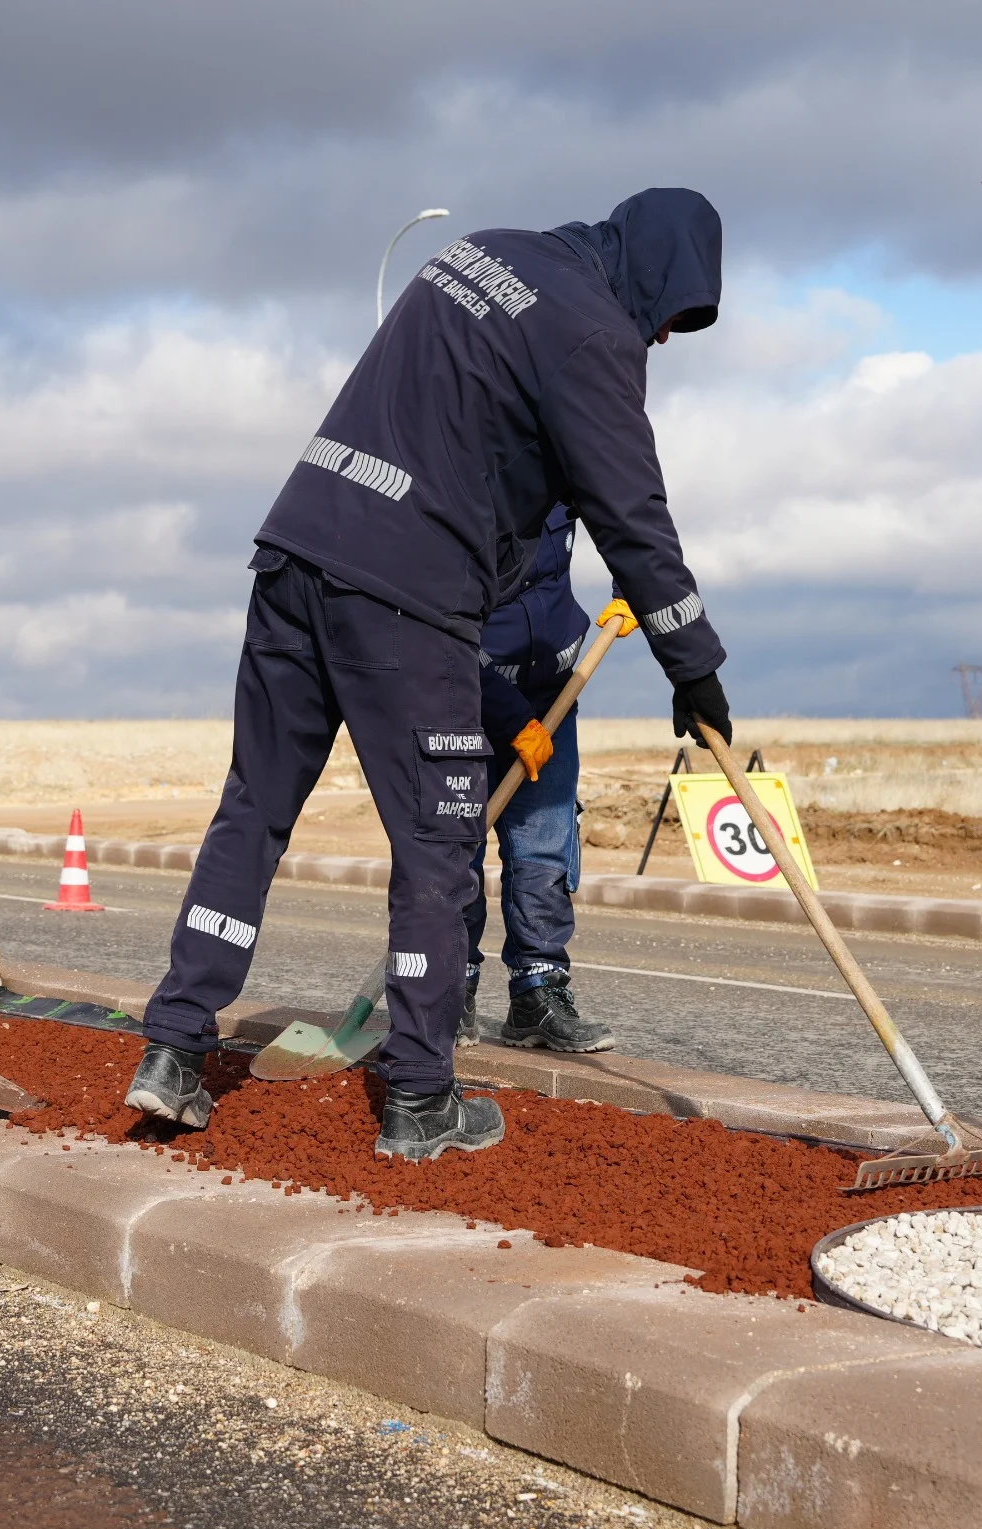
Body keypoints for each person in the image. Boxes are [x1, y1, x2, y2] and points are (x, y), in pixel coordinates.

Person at [124, 188, 733, 1162]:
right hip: (404, 595)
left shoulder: (484, 253)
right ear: (660, 275)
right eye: (672, 316)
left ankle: (171, 1048)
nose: (661, 338)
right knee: (439, 843)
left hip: (294, 551)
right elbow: (631, 514)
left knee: (254, 809)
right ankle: (420, 1096)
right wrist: (693, 663)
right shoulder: (590, 334)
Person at [462, 503, 614, 1054]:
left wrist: (634, 584)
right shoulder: (461, 475)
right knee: (455, 849)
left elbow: (623, 516)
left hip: (550, 697)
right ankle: (449, 991)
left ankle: (538, 994)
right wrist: (507, 718)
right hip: (463, 695)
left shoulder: (563, 474)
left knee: (545, 851)